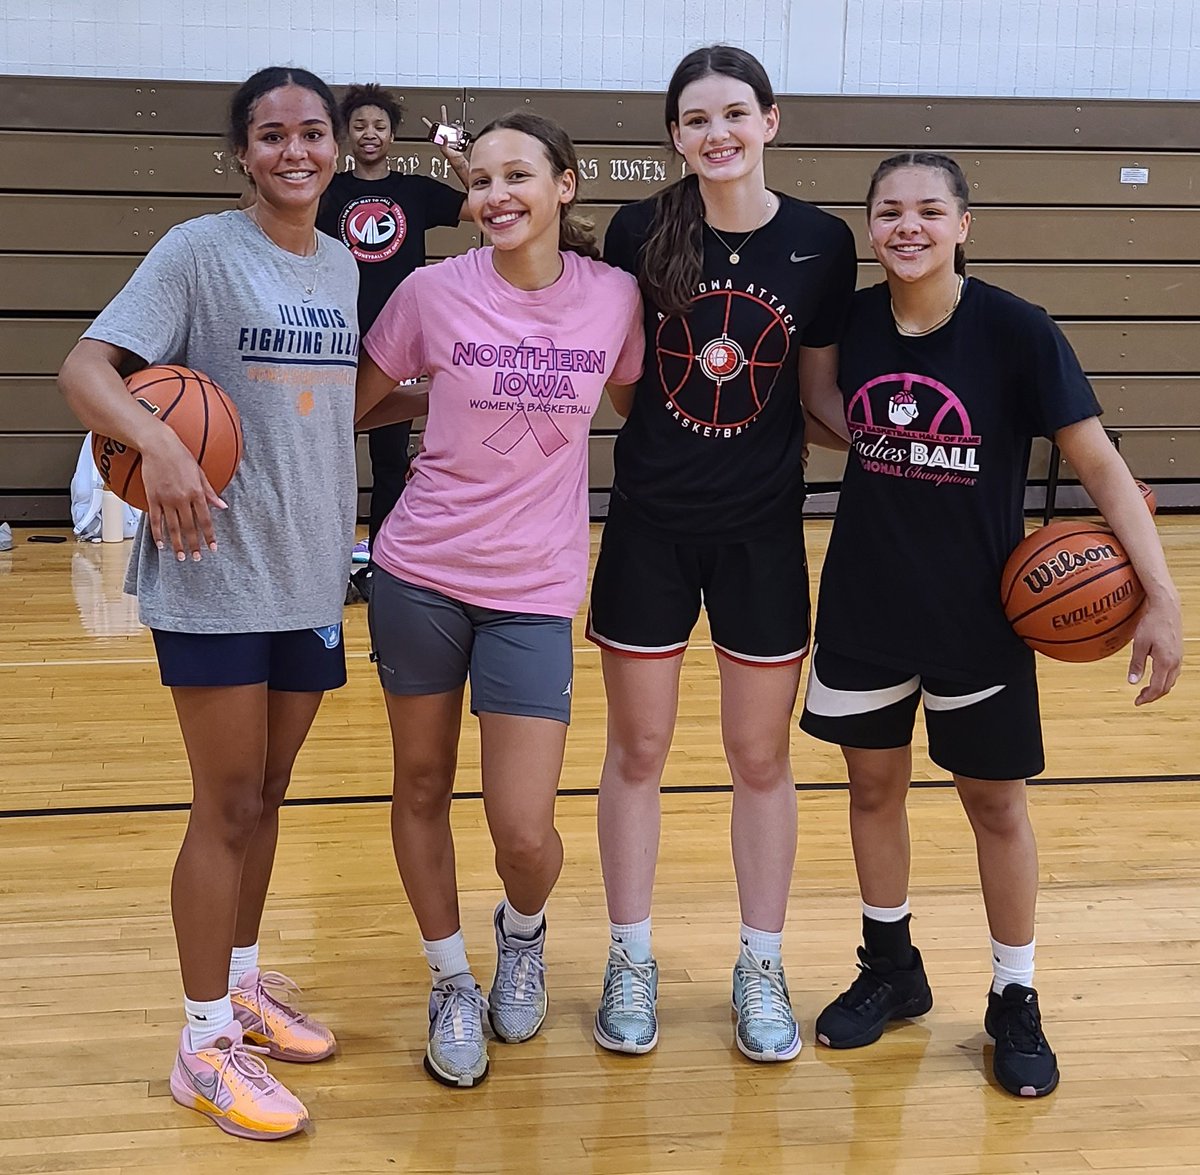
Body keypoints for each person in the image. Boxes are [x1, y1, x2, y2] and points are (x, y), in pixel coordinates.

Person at [798, 151, 1183, 1098]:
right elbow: (818, 408)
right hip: (864, 600)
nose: (907, 226)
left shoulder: (1017, 331)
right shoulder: (850, 320)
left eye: (929, 209)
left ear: (964, 224)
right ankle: (892, 967)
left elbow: (1097, 464)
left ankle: (1016, 995)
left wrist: (1163, 595)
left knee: (995, 805)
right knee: (871, 792)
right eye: (889, 211)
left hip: (983, 613)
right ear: (873, 226)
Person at [58, 67, 361, 1140]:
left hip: (311, 569)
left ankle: (237, 982)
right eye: (272, 135)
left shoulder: (337, 263)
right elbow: (87, 367)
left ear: (336, 147)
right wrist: (158, 448)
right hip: (216, 570)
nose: (295, 152)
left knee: (270, 791)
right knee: (225, 801)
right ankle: (200, 1045)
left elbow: (337, 403)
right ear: (244, 152)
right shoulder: (197, 251)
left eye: (312, 133)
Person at [353, 111, 645, 1087]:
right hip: (420, 572)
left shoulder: (613, 298)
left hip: (533, 589)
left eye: (516, 174)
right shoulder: (432, 291)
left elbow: (642, 410)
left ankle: (522, 932)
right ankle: (448, 978)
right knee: (423, 785)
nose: (494, 195)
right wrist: (436, 397)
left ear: (565, 184)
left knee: (524, 826)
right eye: (479, 181)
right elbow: (359, 398)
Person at [584, 45, 857, 1063]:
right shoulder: (639, 230)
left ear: (771, 121)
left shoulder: (824, 243)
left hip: (762, 535)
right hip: (651, 526)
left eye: (734, 113)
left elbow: (818, 393)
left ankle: (760, 962)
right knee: (638, 753)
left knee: (760, 756)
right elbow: (625, 382)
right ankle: (630, 955)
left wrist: (918, 448)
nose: (717, 132)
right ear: (674, 135)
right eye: (696, 118)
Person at [316, 84, 470, 597]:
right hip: (334, 343)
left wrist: (455, 155)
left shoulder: (416, 191)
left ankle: (382, 565)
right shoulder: (328, 191)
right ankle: (326, 561)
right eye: (359, 125)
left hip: (398, 348)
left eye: (378, 126)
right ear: (345, 134)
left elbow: (482, 207)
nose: (369, 134)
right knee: (327, 457)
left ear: (392, 133)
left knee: (389, 462)